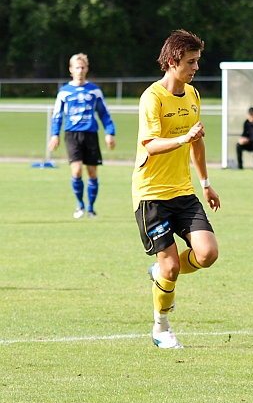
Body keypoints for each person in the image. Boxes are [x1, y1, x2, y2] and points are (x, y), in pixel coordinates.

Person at [132, 29, 221, 349]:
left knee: (207, 254)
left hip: (183, 191)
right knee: (171, 267)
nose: (196, 68)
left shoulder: (193, 95)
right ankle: (161, 326)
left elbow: (197, 142)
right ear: (172, 62)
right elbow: (151, 145)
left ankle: (160, 271)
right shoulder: (152, 98)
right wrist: (184, 139)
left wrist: (207, 184)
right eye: (191, 62)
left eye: (197, 61)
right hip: (151, 193)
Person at [49, 53, 116, 218]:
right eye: (76, 67)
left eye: (82, 67)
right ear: (71, 69)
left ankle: (91, 207)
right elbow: (57, 115)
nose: (80, 70)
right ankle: (80, 205)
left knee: (92, 172)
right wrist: (54, 134)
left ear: (86, 69)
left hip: (91, 134)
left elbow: (104, 113)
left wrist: (110, 132)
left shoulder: (94, 90)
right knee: (77, 170)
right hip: (72, 135)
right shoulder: (64, 92)